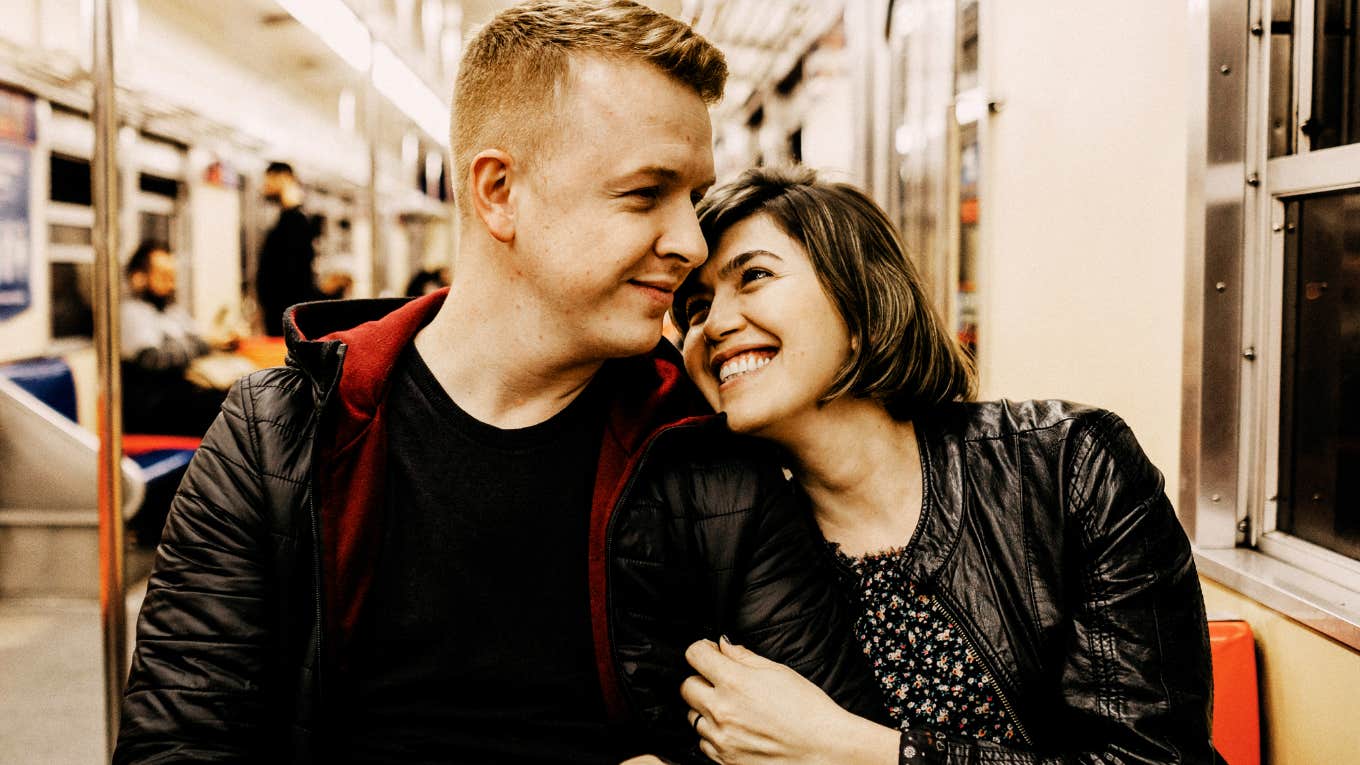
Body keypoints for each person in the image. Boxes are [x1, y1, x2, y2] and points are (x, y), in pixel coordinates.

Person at [114, 5, 882, 764]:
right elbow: (177, 744)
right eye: (646, 193)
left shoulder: (707, 460)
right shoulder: (278, 439)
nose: (690, 243)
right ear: (499, 191)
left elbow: (819, 738)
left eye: (693, 199)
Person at [671, 166, 1219, 763]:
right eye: (695, 309)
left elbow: (1155, 757)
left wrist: (858, 751)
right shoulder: (722, 540)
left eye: (754, 276)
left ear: (861, 303)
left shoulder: (1069, 466)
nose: (714, 325)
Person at [120, 239, 229, 437]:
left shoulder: (171, 311)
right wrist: (199, 344)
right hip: (151, 409)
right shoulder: (131, 313)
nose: (171, 284)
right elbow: (154, 359)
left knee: (239, 397)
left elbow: (198, 340)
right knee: (228, 409)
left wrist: (203, 343)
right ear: (138, 277)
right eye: (164, 276)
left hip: (178, 397)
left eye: (173, 277)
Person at [257, 161, 320, 335]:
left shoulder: (296, 221)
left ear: (284, 178)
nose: (265, 186)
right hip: (282, 315)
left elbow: (294, 274)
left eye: (269, 180)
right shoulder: (288, 219)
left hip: (287, 317)